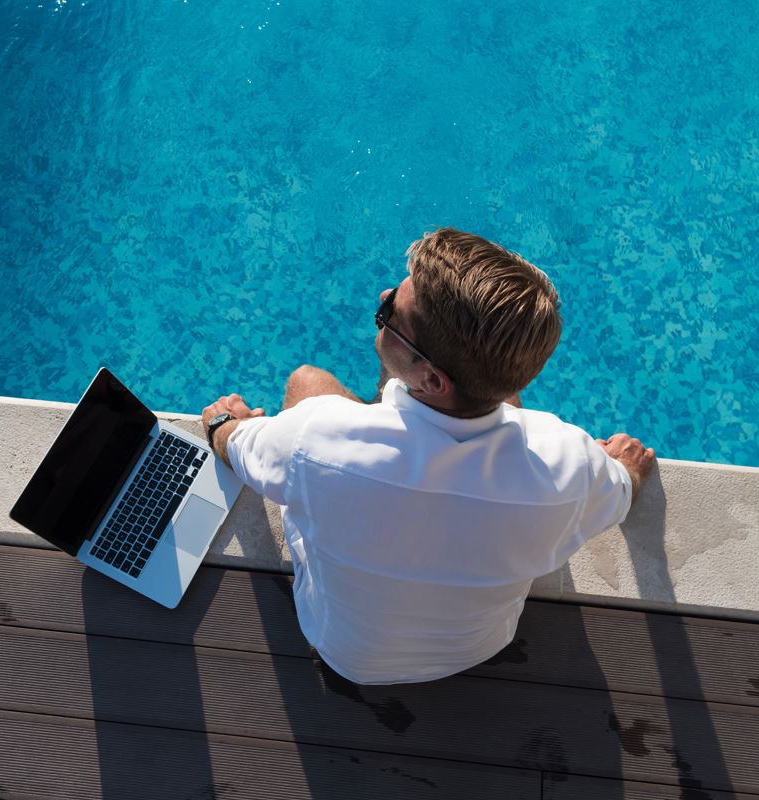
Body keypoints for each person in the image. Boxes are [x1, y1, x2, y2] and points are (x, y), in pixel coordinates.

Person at [202, 227, 656, 685]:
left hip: (347, 655)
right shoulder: (571, 465)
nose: (382, 297)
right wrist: (626, 469)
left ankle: (398, 393)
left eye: (388, 314)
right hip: (477, 648)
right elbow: (622, 489)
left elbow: (235, 446)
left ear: (434, 380)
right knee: (479, 393)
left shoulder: (314, 439)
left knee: (306, 380)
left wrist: (224, 421)